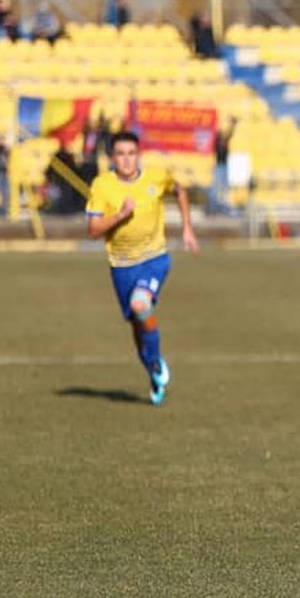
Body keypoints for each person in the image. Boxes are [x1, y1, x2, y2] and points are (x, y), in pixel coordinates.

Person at [85, 132, 200, 406]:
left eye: (131, 153)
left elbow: (180, 191)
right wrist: (120, 215)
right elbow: (93, 231)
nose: (127, 160)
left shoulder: (156, 177)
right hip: (122, 267)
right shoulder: (102, 185)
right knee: (137, 325)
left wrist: (187, 227)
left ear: (139, 155)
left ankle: (156, 362)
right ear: (112, 158)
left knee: (140, 304)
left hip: (154, 258)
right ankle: (152, 371)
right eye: (121, 154)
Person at [210, 116, 238, 214]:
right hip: (218, 167)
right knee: (216, 188)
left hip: (225, 167)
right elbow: (216, 131)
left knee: (225, 188)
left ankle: (224, 207)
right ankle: (214, 207)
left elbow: (229, 133)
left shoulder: (225, 140)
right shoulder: (217, 142)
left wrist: (232, 124)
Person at [0, 134, 9, 217]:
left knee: (5, 192)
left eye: (2, 139)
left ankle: (4, 210)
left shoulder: (5, 149)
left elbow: (9, 159)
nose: (0, 141)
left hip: (5, 172)